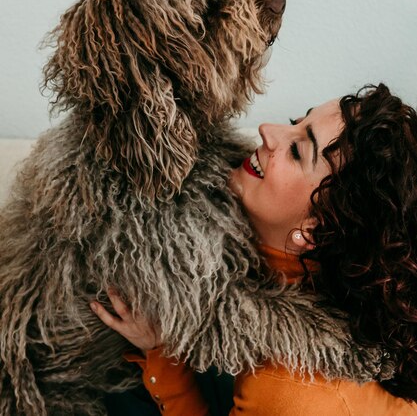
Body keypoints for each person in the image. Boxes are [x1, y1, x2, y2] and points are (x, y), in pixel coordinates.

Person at [92, 83, 417, 415]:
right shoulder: (358, 285)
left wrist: (162, 355)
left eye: (297, 151)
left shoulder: (288, 390)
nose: (267, 130)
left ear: (314, 230)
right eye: (297, 122)